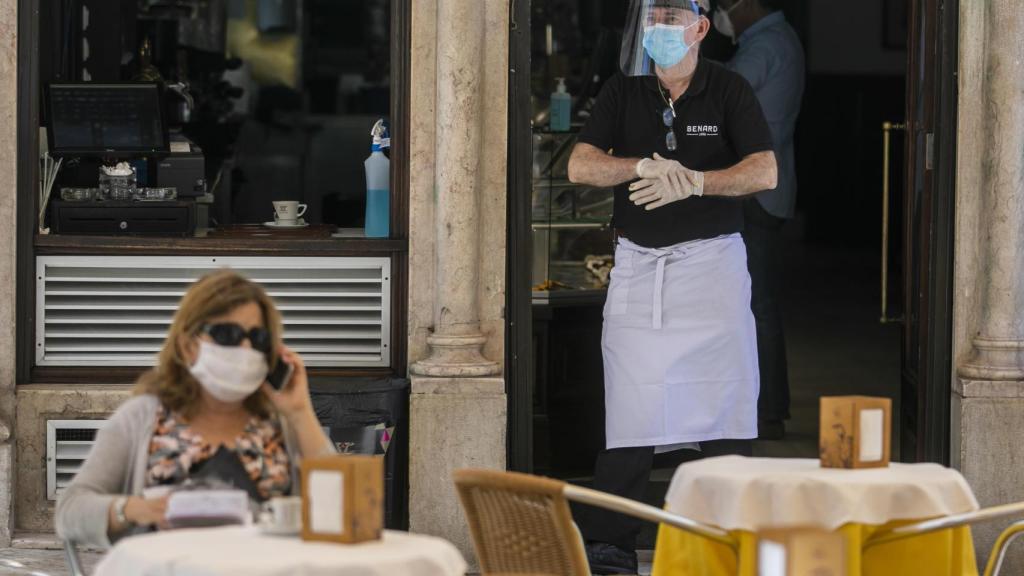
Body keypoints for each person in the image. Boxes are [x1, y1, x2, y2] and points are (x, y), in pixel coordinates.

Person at [566, 0, 777, 572]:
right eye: (653, 18)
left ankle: (730, 538)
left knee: (725, 406)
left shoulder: (729, 89)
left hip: (712, 271)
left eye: (672, 18)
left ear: (701, 28)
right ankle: (610, 544)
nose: (660, 29)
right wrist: (642, 168)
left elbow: (764, 170)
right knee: (631, 407)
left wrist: (696, 182)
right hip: (639, 268)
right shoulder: (622, 92)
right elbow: (581, 166)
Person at [56, 270, 334, 548]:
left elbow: (341, 504)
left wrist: (300, 412)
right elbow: (70, 511)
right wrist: (133, 508)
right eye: (228, 334)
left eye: (258, 338)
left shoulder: (279, 421)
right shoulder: (142, 416)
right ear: (189, 345)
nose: (246, 347)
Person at [713, 0, 805, 439]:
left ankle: (768, 412)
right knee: (756, 303)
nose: (718, 13)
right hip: (764, 188)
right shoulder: (768, 41)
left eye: (723, 4)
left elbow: (726, 92)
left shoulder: (766, 44)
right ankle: (762, 407)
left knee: (758, 306)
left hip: (757, 191)